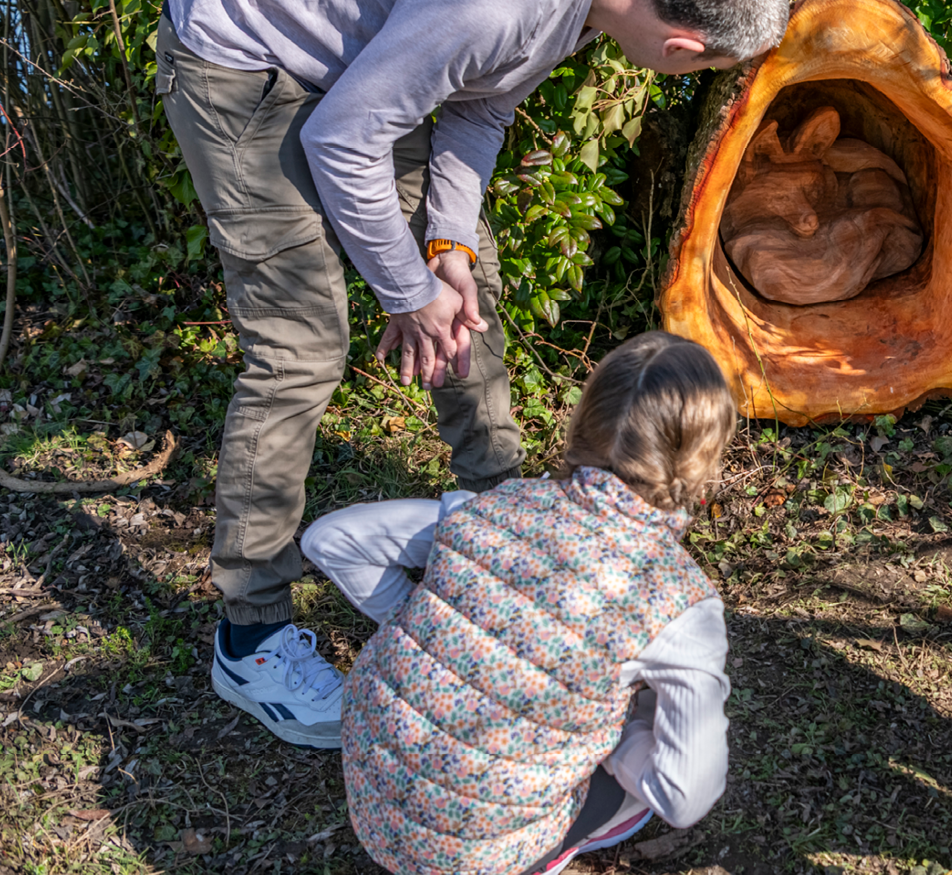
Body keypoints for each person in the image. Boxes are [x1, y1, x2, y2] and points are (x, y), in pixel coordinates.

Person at [155, 0, 790, 747]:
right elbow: (343, 138)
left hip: (351, 71)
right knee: (301, 348)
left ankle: (511, 541)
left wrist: (444, 251)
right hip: (242, 57)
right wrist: (405, 291)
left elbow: (479, 110)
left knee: (468, 288)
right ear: (684, 46)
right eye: (708, 70)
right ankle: (250, 634)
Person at [299, 330, 737, 874]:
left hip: (374, 804)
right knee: (639, 780)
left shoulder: (490, 507)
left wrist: (435, 627)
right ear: (700, 462)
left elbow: (331, 541)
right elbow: (682, 795)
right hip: (474, 854)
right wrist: (621, 739)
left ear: (585, 420)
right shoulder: (678, 602)